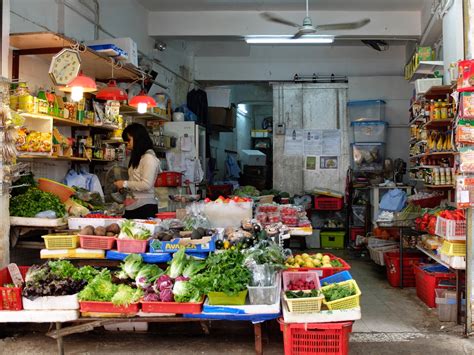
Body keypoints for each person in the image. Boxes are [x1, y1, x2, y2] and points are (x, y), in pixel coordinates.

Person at [114, 123, 161, 219]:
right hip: (132, 206)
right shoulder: (138, 157)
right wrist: (125, 188)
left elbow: (146, 185)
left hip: (144, 208)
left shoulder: (149, 158)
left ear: (138, 138)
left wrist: (125, 184)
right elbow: (136, 181)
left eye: (128, 140)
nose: (127, 144)